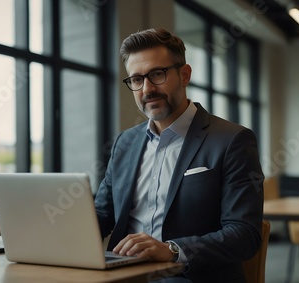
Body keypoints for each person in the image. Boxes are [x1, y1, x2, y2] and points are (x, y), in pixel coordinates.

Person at [94, 28, 264, 282]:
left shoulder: (232, 140)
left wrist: (172, 250)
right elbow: (102, 216)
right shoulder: (125, 142)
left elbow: (244, 234)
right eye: (137, 80)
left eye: (157, 74)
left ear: (185, 75)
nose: (147, 89)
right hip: (123, 276)